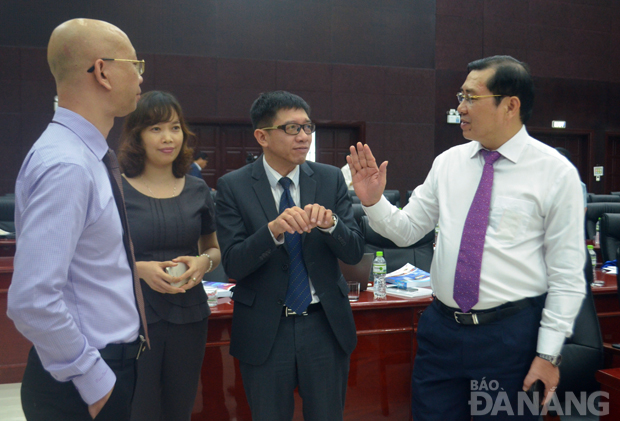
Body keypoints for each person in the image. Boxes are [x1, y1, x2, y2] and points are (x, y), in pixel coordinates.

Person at [348, 56, 586, 420]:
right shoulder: (449, 163)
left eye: (471, 97)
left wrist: (548, 354)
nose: (460, 107)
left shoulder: (555, 173)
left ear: (511, 105)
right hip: (442, 331)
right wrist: (373, 201)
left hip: (511, 338)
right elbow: (408, 229)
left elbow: (568, 275)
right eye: (460, 96)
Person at [7, 18, 146, 420]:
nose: (140, 77)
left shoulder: (83, 153)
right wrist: (94, 381)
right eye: (134, 64)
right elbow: (31, 300)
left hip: (99, 370)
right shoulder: (68, 163)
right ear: (102, 71)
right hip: (81, 384)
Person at [216, 90, 365, 420]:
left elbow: (354, 251)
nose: (304, 137)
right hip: (266, 330)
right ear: (262, 136)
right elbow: (234, 263)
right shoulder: (233, 186)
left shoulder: (329, 178)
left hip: (324, 326)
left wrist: (331, 226)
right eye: (292, 129)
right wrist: (272, 232)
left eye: (308, 127)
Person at [117, 90, 221, 421]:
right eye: (156, 128)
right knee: (140, 409)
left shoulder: (197, 189)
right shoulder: (116, 188)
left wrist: (203, 263)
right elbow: (96, 259)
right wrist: (139, 269)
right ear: (137, 136)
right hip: (133, 317)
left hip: (189, 314)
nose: (168, 138)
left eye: (175, 127)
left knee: (180, 409)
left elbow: (214, 249)